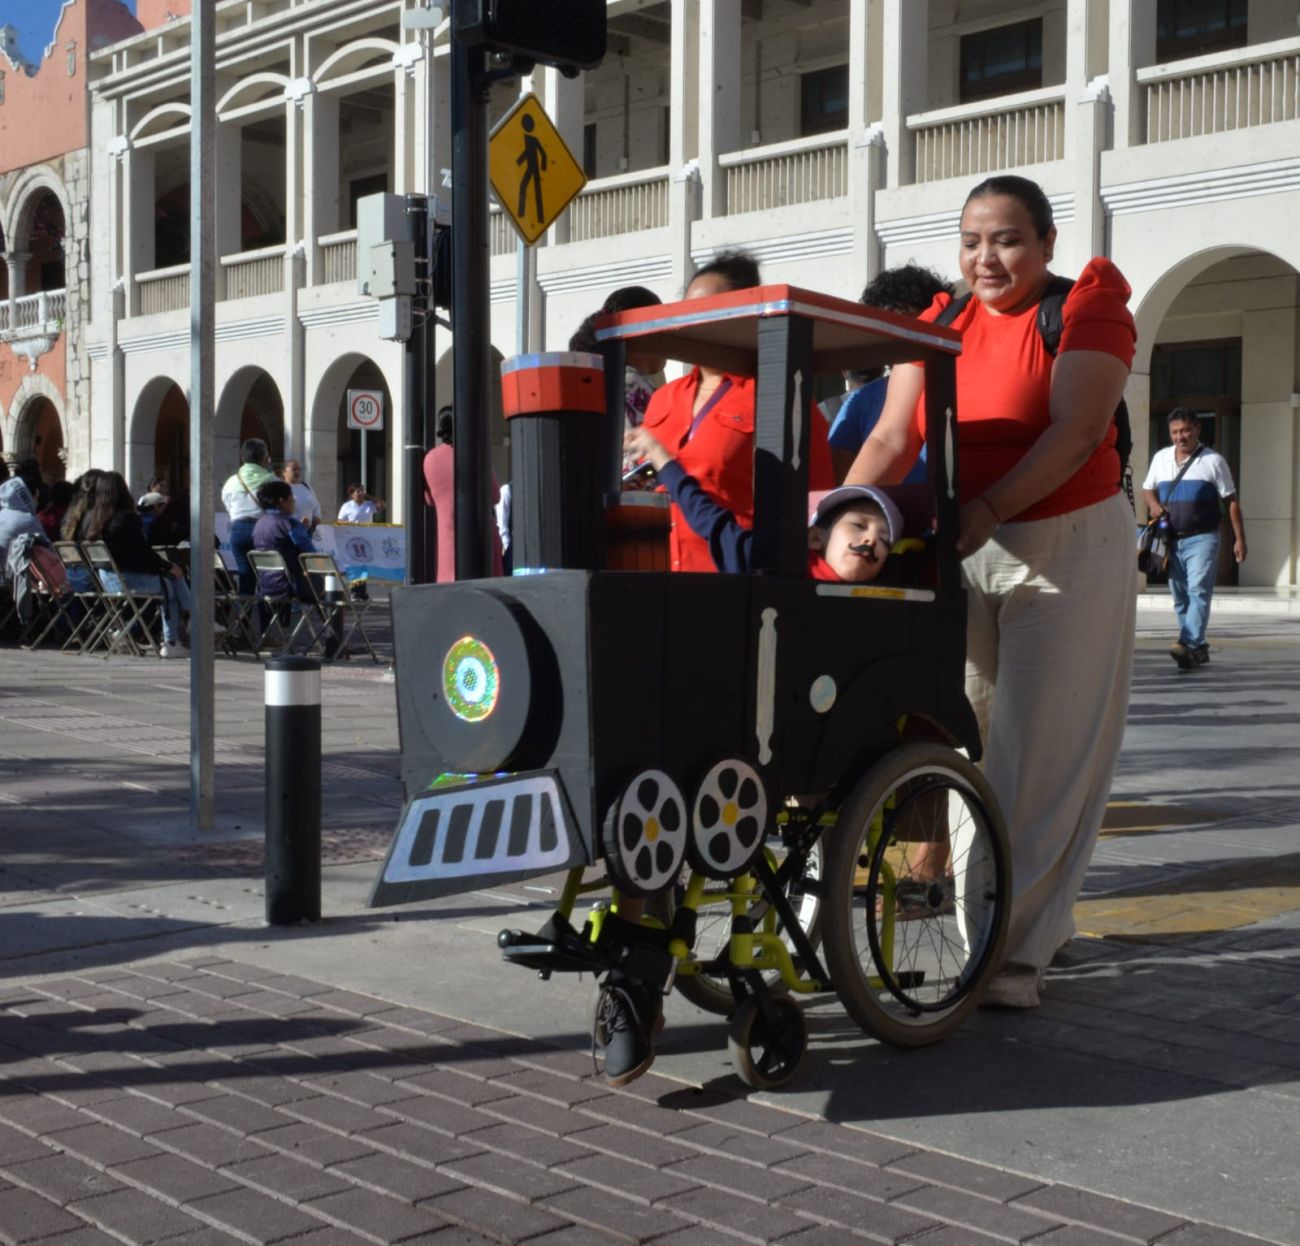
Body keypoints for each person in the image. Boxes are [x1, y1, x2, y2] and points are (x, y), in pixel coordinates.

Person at [845, 174, 1137, 1010]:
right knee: (967, 744)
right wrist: (846, 518)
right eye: (972, 240)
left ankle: (1010, 954)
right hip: (963, 547)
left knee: (1041, 756)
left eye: (1006, 239)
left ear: (1044, 244)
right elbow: (894, 434)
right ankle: (1011, 920)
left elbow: (1078, 429)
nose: (987, 257)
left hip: (1066, 546)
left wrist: (994, 505)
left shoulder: (1087, 305)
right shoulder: (942, 323)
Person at [638, 249, 835, 573]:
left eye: (710, 311)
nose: (695, 322)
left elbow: (815, 505)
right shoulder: (664, 398)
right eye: (689, 311)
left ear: (747, 313)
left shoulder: (780, 397)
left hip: (736, 582)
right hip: (659, 579)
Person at [626, 426, 900, 581]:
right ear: (814, 537)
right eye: (858, 525)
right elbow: (708, 519)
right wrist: (663, 462)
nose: (871, 540)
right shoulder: (771, 564)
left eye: (885, 539)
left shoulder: (889, 601)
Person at [827, 266, 954, 482]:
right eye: (885, 327)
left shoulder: (959, 386)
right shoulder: (860, 402)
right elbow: (840, 475)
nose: (896, 337)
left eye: (907, 323)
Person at [1142, 408, 1246, 669]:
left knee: (1198, 589)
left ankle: (1187, 641)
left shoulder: (1213, 461)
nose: (1180, 436)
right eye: (1175, 432)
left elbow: (1231, 500)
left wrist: (1239, 538)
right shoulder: (1161, 458)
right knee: (1180, 596)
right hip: (1171, 539)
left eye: (1186, 430)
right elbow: (1147, 488)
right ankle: (1197, 648)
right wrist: (1153, 505)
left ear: (1197, 430)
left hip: (1203, 538)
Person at [76, 470, 193, 658]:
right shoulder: (125, 518)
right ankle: (174, 638)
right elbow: (143, 553)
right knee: (170, 584)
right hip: (128, 579)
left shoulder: (90, 519)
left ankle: (192, 617)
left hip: (106, 579)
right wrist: (167, 567)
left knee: (171, 576)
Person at [569, 285, 666, 479]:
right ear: (644, 331)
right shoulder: (632, 386)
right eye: (662, 326)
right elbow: (638, 463)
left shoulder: (600, 380)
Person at [221, 439, 276, 595]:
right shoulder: (271, 481)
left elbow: (227, 505)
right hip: (262, 531)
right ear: (264, 458)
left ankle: (243, 617)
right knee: (266, 579)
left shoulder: (231, 482)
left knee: (245, 578)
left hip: (237, 531)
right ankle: (267, 619)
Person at [252, 480, 315, 602]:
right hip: (291, 585)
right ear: (282, 501)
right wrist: (302, 530)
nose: (294, 502)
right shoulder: (289, 523)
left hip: (265, 585)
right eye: (292, 498)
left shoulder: (259, 523)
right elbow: (311, 553)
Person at [282, 460, 322, 533]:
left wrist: (317, 517)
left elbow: (316, 506)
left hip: (309, 532)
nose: (297, 472)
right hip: (291, 531)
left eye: (298, 469)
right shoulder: (282, 488)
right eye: (293, 469)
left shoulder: (306, 487)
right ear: (284, 472)